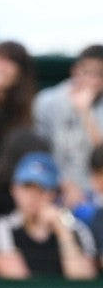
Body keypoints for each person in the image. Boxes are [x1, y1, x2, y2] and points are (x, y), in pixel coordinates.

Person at [0, 152, 96, 280]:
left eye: (42, 189)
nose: (33, 196)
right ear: (14, 189)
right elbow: (14, 278)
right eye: (27, 187)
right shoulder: (5, 227)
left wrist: (62, 231)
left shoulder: (77, 229)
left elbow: (83, 282)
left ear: (54, 193)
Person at [34, 44, 103, 208]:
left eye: (99, 74)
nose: (92, 80)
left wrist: (86, 113)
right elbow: (39, 152)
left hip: (95, 194)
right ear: (75, 70)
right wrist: (63, 184)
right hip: (52, 189)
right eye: (87, 72)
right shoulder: (47, 101)